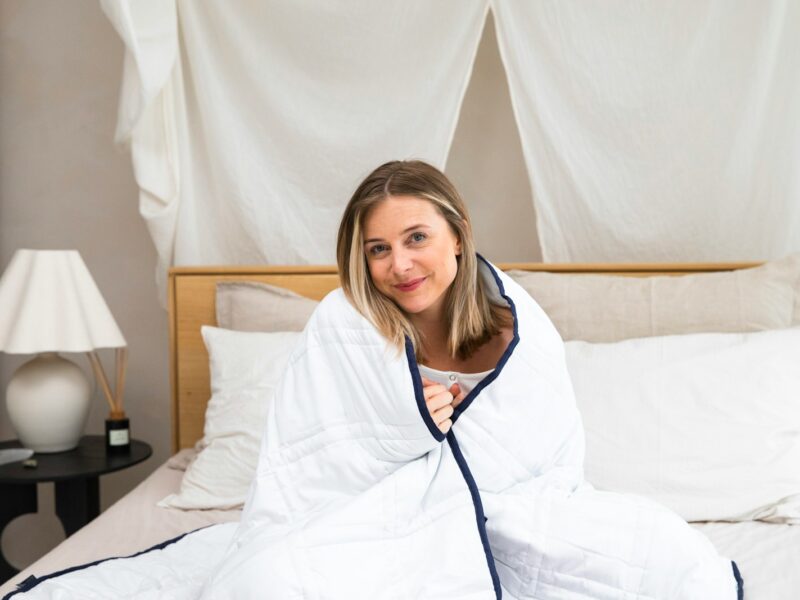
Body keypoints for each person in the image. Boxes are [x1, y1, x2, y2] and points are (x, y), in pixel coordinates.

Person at [336, 159, 515, 435]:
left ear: (459, 236)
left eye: (417, 237)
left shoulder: (519, 343)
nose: (400, 265)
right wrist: (399, 430)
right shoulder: (351, 349)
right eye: (379, 249)